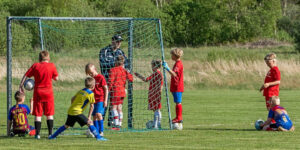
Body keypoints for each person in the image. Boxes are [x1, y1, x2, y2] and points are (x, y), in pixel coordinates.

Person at [19, 50, 58, 139]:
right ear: (48, 58)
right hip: (48, 93)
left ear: (39, 58)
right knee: (49, 114)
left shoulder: (35, 65)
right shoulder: (52, 65)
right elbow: (56, 78)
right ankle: (50, 134)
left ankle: (37, 134)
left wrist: (21, 85)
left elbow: (26, 75)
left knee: (38, 114)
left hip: (38, 92)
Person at [99, 34, 128, 126]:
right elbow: (103, 64)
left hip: (117, 84)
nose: (119, 43)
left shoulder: (121, 52)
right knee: (104, 102)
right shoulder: (104, 51)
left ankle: (112, 122)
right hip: (106, 81)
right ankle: (100, 121)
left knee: (115, 103)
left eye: (120, 41)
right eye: (117, 41)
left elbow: (127, 65)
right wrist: (117, 64)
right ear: (112, 41)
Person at [134, 60, 163, 129]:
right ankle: (158, 124)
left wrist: (138, 75)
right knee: (157, 109)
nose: (151, 68)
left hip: (154, 93)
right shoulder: (157, 74)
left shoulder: (157, 73)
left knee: (156, 109)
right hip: (155, 93)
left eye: (152, 66)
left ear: (155, 66)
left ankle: (156, 125)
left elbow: (146, 79)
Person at [108, 55, 133, 129]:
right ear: (123, 63)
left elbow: (111, 82)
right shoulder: (124, 70)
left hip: (115, 91)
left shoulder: (113, 70)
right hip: (122, 91)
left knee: (113, 108)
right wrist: (127, 72)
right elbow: (131, 79)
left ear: (115, 62)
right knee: (119, 108)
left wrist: (108, 90)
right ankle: (120, 124)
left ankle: (116, 125)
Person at [85, 63, 108, 136]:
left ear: (95, 69)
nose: (91, 75)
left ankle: (101, 131)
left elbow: (106, 89)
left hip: (100, 99)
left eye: (91, 73)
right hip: (93, 100)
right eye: (89, 74)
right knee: (94, 116)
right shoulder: (91, 79)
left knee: (99, 114)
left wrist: (105, 100)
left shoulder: (101, 77)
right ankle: (96, 131)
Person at [162, 48, 184, 123]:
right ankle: (178, 117)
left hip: (177, 86)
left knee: (178, 102)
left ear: (175, 55)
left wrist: (167, 67)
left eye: (172, 55)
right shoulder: (176, 63)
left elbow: (174, 74)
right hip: (175, 86)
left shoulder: (178, 64)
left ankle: (179, 117)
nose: (171, 56)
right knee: (177, 102)